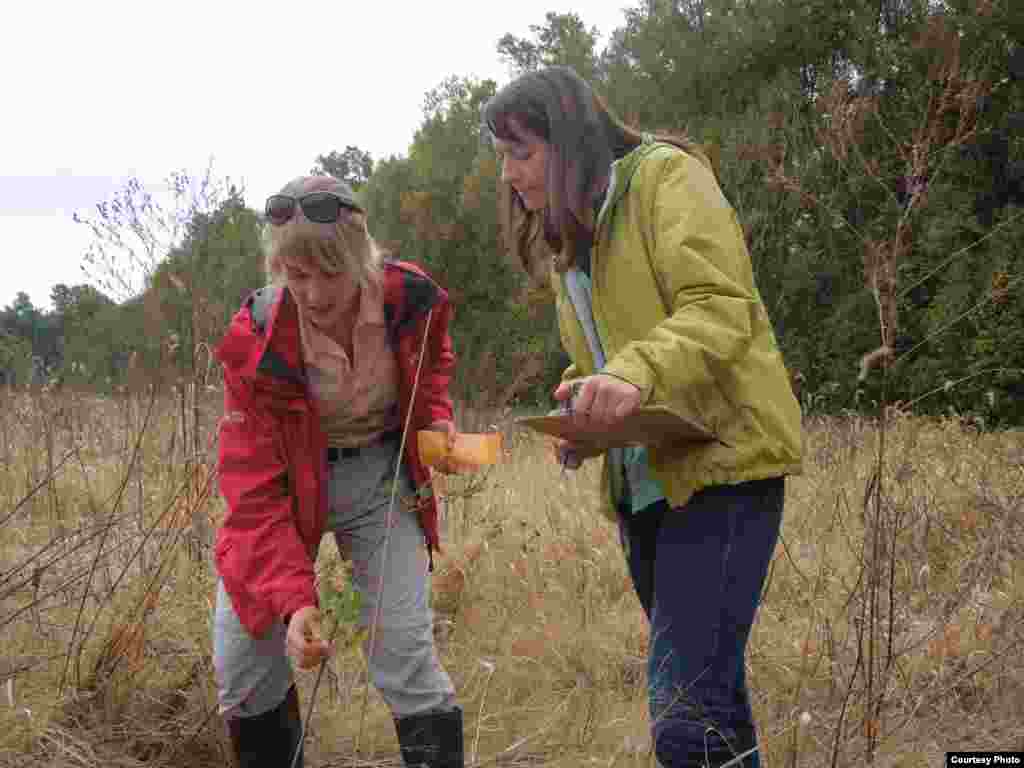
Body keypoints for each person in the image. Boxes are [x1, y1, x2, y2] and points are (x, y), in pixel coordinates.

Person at [482, 67, 803, 767]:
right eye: (501, 156)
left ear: (568, 142)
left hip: (722, 471)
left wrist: (627, 374)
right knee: (713, 708)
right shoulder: (568, 237)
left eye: (521, 152)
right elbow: (612, 352)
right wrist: (584, 409)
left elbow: (721, 309)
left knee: (686, 722)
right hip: (646, 489)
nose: (509, 175)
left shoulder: (665, 179)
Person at [212, 175, 463, 768]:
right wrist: (297, 602)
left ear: (362, 257)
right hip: (285, 489)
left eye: (331, 273)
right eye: (296, 276)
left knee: (403, 649)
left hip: (377, 477)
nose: (316, 293)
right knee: (243, 663)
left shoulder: (413, 300)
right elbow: (253, 492)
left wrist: (436, 426)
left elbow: (428, 377)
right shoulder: (257, 338)